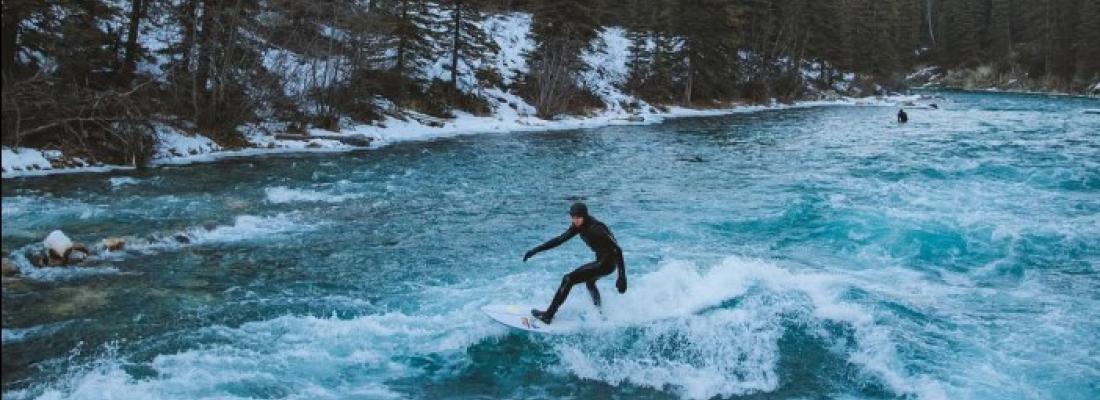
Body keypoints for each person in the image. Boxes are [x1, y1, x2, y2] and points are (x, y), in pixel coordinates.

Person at [523, 202, 626, 324]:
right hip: (601, 261)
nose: (575, 220)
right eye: (573, 217)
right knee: (590, 282)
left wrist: (622, 277)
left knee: (568, 279)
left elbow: (617, 249)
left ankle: (548, 315)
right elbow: (559, 240)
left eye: (578, 217)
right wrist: (536, 250)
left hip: (607, 263)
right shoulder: (578, 226)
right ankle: (599, 313)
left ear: (585, 216)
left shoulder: (596, 228)